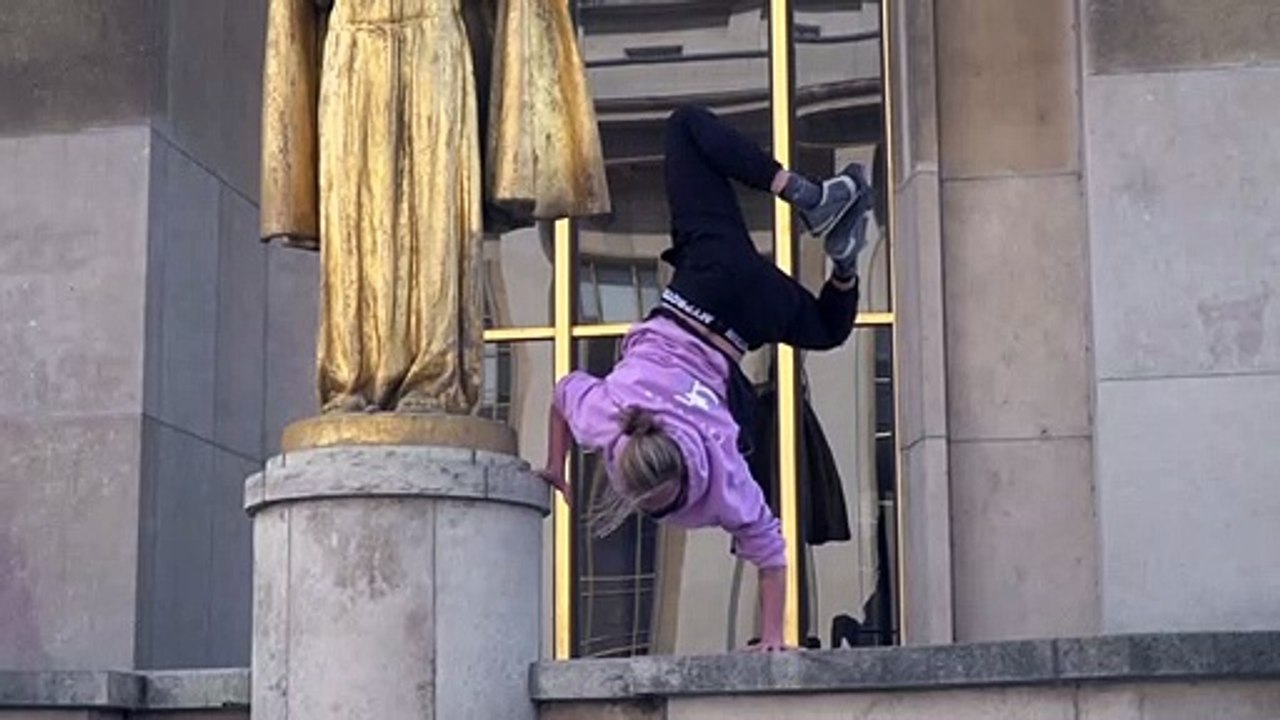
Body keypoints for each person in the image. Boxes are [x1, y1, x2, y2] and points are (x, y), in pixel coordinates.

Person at [536, 105, 876, 652]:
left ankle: (844, 262)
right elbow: (560, 395)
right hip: (705, 282)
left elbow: (772, 553)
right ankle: (806, 196)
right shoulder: (607, 420)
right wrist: (556, 462)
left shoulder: (722, 479)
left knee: (825, 329)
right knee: (684, 126)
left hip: (745, 318)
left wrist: (773, 637)